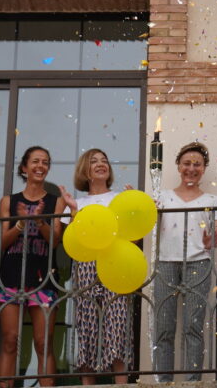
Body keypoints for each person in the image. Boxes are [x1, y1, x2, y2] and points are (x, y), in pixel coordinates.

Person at [0, 146, 66, 387]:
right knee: (9, 339)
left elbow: (55, 241)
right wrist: (21, 225)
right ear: (24, 168)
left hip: (43, 278)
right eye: (35, 161)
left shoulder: (56, 202)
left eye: (45, 162)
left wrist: (38, 221)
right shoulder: (8, 201)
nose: (40, 166)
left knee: (43, 342)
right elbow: (1, 243)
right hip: (11, 275)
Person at [153, 142, 217, 383]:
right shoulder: (161, 197)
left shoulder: (213, 200)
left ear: (203, 169)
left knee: (193, 327)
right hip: (165, 264)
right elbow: (145, 222)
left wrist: (214, 238)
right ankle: (163, 381)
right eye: (187, 163)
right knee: (164, 327)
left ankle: (192, 382)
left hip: (198, 265)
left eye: (197, 164)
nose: (191, 168)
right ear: (178, 166)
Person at [61, 149, 133, 384]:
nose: (101, 164)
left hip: (116, 261)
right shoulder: (77, 203)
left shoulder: (118, 199)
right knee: (87, 324)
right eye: (94, 161)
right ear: (85, 170)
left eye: (104, 160)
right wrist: (72, 210)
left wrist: (131, 207)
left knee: (118, 324)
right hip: (86, 265)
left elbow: (131, 234)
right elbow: (73, 239)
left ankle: (121, 382)